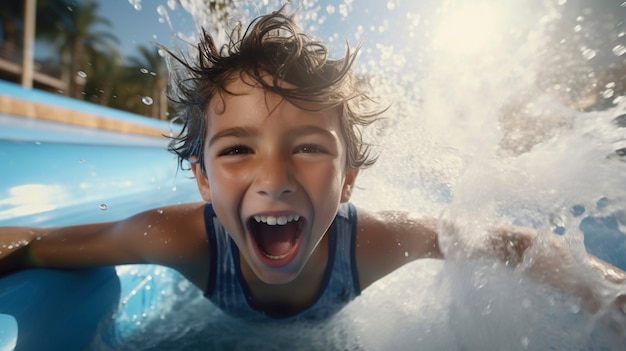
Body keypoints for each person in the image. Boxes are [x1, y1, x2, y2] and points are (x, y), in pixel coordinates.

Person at [1, 9, 625, 324]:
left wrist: (610, 292)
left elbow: (504, 243)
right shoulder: (182, 239)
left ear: (349, 177)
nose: (274, 178)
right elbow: (36, 243)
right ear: (201, 177)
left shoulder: (372, 243)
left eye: (308, 147)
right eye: (237, 149)